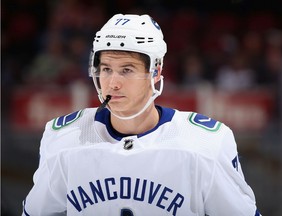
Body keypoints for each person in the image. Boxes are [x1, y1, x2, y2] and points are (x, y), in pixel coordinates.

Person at [22, 14, 261, 216]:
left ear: (155, 72)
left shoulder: (205, 145)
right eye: (106, 69)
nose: (112, 83)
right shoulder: (65, 139)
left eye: (127, 70)